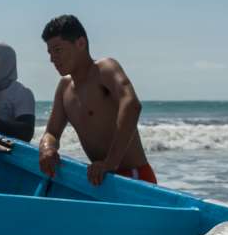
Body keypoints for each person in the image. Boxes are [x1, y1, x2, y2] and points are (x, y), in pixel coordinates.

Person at [37, 15, 154, 186]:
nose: (52, 59)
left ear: (81, 43)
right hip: (101, 179)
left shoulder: (104, 69)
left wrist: (110, 163)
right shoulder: (64, 87)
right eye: (50, 52)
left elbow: (131, 105)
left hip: (133, 177)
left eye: (58, 50)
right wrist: (47, 148)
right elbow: (52, 132)